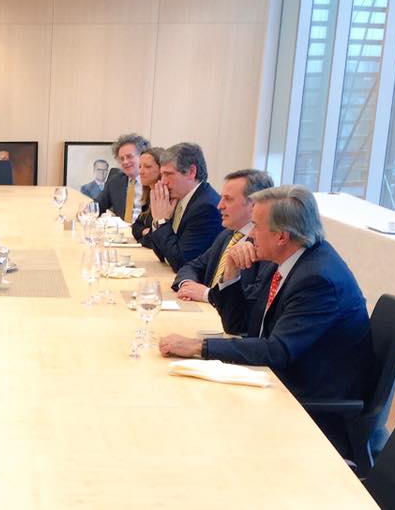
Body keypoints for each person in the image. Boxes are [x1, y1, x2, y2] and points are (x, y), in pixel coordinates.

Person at [159, 185, 374, 453]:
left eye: (256, 226)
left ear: (282, 236)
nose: (249, 235)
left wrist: (198, 347)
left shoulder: (318, 279)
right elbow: (239, 324)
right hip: (281, 380)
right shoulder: (289, 258)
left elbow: (277, 350)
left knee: (195, 421)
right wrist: (231, 273)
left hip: (309, 407)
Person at [172, 169, 273, 305]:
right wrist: (187, 284)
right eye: (221, 198)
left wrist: (207, 294)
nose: (220, 206)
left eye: (228, 199)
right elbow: (193, 266)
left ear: (253, 205)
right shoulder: (227, 235)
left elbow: (257, 297)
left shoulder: (266, 244)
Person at [147, 142, 223, 271]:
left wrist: (161, 222)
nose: (163, 181)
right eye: (162, 175)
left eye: (168, 174)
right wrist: (157, 221)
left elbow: (181, 263)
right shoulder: (179, 198)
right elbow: (162, 254)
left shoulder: (206, 208)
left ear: (191, 172)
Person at [95, 134, 149, 222]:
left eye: (129, 156)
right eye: (121, 159)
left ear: (142, 156)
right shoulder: (114, 181)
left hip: (144, 229)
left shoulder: (153, 181)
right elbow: (97, 206)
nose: (125, 162)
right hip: (121, 229)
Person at [130, 147, 165, 247]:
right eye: (140, 166)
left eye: (147, 167)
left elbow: (156, 240)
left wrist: (146, 234)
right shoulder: (149, 193)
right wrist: (145, 231)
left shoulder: (166, 198)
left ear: (161, 169)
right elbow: (135, 227)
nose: (141, 171)